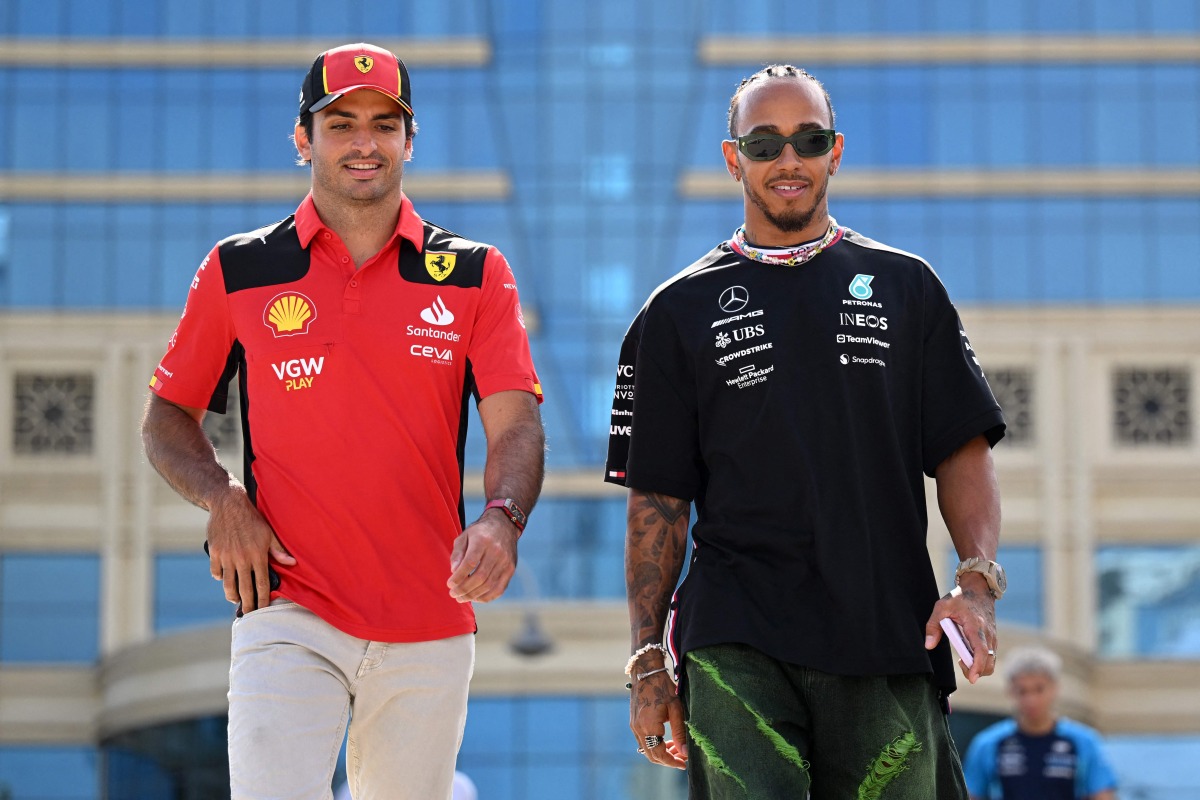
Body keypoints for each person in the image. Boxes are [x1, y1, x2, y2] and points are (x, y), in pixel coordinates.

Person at [141, 42, 545, 800]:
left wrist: (502, 520)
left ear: (409, 140)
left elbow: (516, 424)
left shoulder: (473, 274)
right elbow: (166, 415)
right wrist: (224, 499)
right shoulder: (239, 269)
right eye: (341, 123)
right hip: (288, 608)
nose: (365, 142)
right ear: (304, 140)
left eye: (384, 124)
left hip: (430, 614)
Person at [605, 64, 1007, 798]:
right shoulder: (675, 313)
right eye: (764, 144)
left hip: (888, 629)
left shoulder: (907, 286)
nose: (788, 160)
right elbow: (656, 504)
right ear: (734, 159)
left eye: (808, 139)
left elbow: (962, 447)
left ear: (836, 151)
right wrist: (646, 662)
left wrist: (975, 585)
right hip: (736, 635)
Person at [963, 647, 1119, 799]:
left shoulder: (1084, 742)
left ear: (1054, 688)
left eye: (1039, 689)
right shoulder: (988, 743)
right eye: (1022, 691)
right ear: (1010, 691)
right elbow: (972, 794)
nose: (1031, 700)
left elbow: (1103, 794)